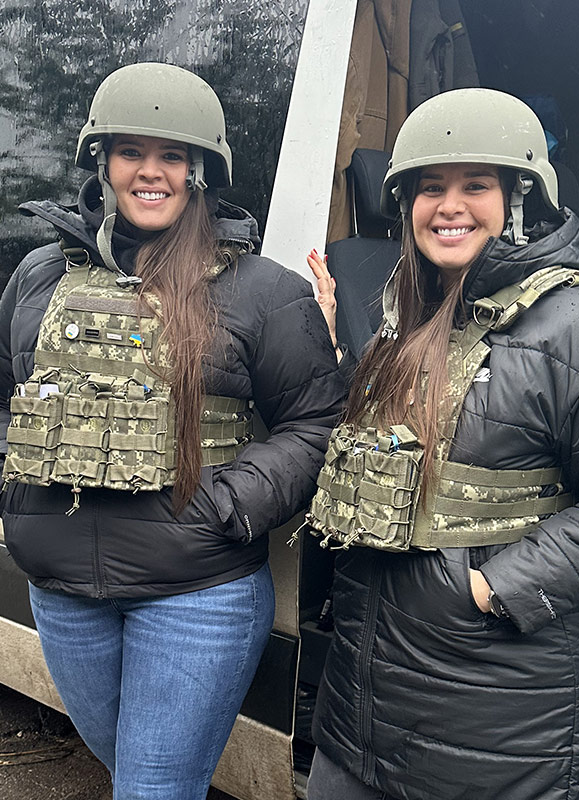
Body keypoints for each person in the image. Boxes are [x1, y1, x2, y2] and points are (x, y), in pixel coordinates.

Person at [0, 62, 344, 799]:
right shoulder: (38, 276)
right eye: (132, 152)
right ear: (103, 161)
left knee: (151, 788)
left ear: (199, 170)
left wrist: (231, 502)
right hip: (60, 590)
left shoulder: (263, 290)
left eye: (173, 156)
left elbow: (319, 422)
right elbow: (8, 393)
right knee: (137, 772)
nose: (150, 172)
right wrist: (16, 485)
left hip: (195, 591)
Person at [306, 88, 579, 800]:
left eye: (476, 185)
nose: (450, 206)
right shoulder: (406, 315)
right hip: (361, 711)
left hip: (493, 733)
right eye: (430, 188)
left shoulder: (575, 326)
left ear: (520, 198)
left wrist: (494, 588)